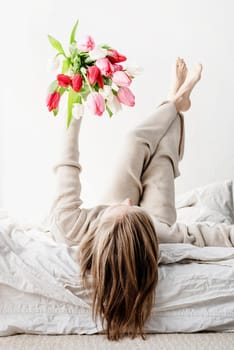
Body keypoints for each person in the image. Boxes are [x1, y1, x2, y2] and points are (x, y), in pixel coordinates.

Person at [47, 58, 231, 341]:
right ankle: (177, 103)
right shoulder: (160, 233)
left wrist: (74, 108)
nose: (130, 202)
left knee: (134, 140)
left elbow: (66, 164)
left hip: (123, 221)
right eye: (133, 210)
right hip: (152, 220)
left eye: (125, 208)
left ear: (99, 228)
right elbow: (207, 235)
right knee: (161, 160)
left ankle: (174, 101)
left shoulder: (70, 225)